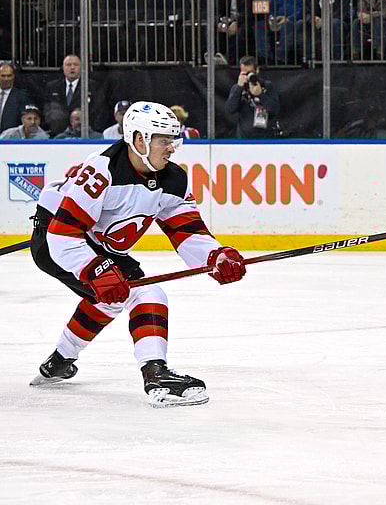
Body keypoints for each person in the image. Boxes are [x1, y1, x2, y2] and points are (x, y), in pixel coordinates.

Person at [28, 101, 247, 407]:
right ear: (140, 139)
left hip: (92, 240)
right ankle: (155, 374)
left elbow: (187, 230)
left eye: (174, 139)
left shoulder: (173, 179)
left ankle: (59, 362)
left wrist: (215, 258)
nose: (172, 148)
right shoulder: (102, 171)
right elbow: (63, 235)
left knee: (114, 294)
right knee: (144, 293)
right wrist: (95, 269)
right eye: (164, 140)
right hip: (56, 239)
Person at [43, 54, 107, 137]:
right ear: (63, 67)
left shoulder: (92, 86)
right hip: (58, 134)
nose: (72, 67)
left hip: (85, 134)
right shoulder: (52, 86)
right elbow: (48, 109)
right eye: (68, 65)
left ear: (81, 67)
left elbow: (99, 110)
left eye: (75, 65)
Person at [225, 61, 281, 138]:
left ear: (257, 70)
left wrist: (261, 95)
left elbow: (275, 110)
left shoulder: (267, 86)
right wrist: (239, 88)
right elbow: (230, 109)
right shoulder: (237, 88)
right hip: (244, 137)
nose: (248, 76)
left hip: (266, 137)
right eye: (245, 74)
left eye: (250, 73)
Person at [0, 63, 31, 133]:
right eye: (3, 76)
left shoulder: (22, 97)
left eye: (9, 76)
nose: (6, 79)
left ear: (13, 76)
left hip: (9, 139)